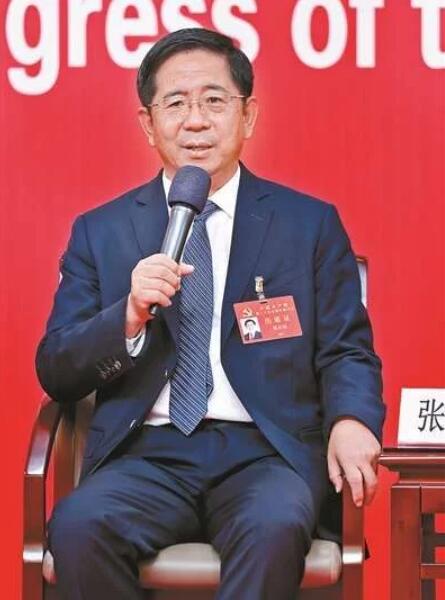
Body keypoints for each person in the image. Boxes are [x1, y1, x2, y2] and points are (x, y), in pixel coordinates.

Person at [36, 28, 385, 600]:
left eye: (214, 101)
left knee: (273, 526)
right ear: (148, 124)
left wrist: (352, 419)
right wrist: (126, 317)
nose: (195, 121)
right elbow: (57, 369)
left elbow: (347, 349)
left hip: (264, 454)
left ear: (248, 115)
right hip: (145, 455)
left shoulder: (308, 225)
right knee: (78, 529)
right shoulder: (101, 232)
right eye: (176, 103)